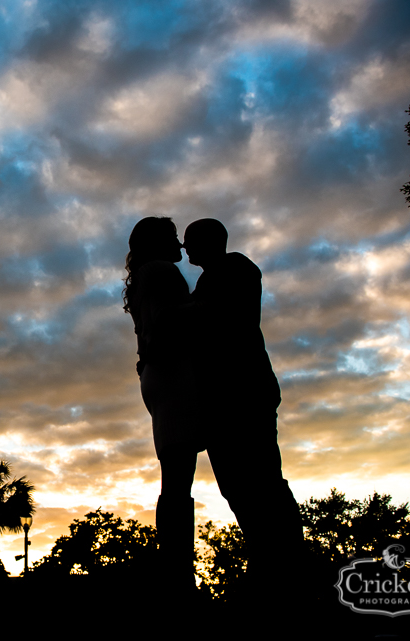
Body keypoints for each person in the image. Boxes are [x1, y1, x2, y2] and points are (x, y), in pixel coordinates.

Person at [181, 218, 303, 601]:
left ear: (210, 241)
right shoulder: (210, 278)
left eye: (190, 243)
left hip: (244, 394)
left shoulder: (236, 268)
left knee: (263, 482)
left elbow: (210, 318)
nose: (186, 251)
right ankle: (267, 561)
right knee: (237, 486)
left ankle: (286, 567)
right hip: (222, 399)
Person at [122, 216, 203, 601]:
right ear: (158, 242)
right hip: (171, 374)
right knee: (176, 479)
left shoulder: (146, 275)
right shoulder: (161, 271)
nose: (180, 243)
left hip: (158, 376)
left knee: (176, 475)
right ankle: (176, 576)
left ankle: (175, 572)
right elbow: (166, 322)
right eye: (173, 236)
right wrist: (206, 303)